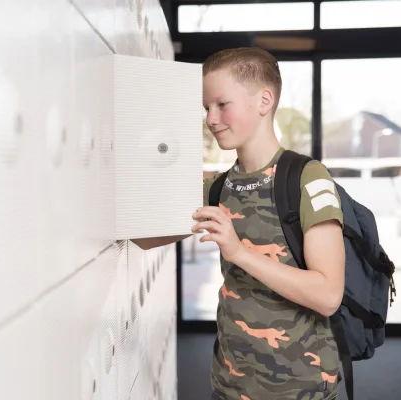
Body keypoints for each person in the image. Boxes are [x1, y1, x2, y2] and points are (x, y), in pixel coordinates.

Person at [131, 47, 345, 400]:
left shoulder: (307, 178)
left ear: (264, 100)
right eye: (206, 109)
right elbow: (143, 238)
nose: (211, 119)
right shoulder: (216, 187)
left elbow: (327, 296)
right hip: (229, 385)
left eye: (222, 104)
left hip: (301, 388)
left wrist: (238, 251)